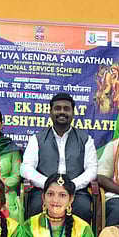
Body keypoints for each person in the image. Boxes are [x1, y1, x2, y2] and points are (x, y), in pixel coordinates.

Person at [21, 93, 97, 221]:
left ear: (73, 113)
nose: (62, 112)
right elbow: (26, 168)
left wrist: (72, 185)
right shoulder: (37, 139)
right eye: (57, 108)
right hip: (44, 189)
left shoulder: (85, 139)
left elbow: (92, 169)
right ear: (50, 112)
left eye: (66, 109)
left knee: (83, 207)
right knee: (36, 205)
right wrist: (47, 184)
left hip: (75, 191)